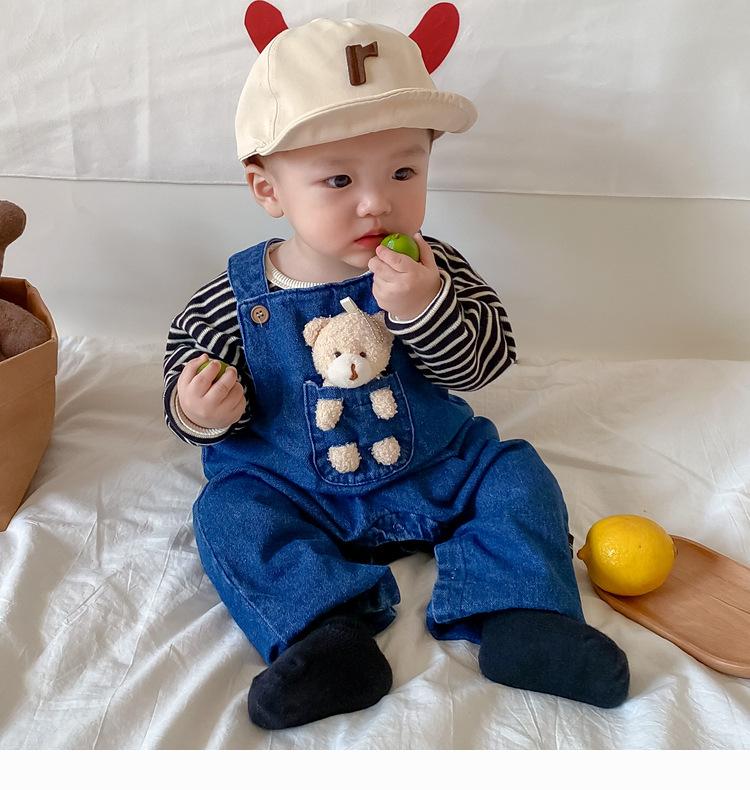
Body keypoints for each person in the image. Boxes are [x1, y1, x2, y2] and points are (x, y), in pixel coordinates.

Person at [163, 17, 629, 730]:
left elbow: (486, 360)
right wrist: (200, 410)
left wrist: (423, 307)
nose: (377, 201)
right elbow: (186, 369)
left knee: (514, 472)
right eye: (339, 179)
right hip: (296, 487)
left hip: (435, 468)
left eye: (403, 172)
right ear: (268, 189)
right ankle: (327, 636)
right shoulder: (235, 295)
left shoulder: (432, 267)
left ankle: (523, 616)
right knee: (228, 513)